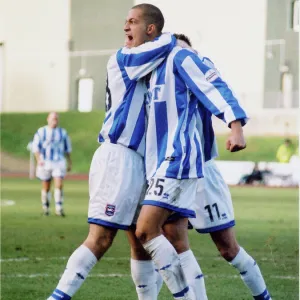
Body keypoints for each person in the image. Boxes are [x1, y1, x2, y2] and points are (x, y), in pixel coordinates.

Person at [46, 4, 194, 300]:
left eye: (133, 22)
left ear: (147, 28)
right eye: (126, 22)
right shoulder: (124, 58)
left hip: (140, 162)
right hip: (118, 157)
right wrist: (173, 41)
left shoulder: (150, 65)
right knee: (100, 239)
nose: (125, 27)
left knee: (142, 238)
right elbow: (168, 44)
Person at [127, 28, 249, 300]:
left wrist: (236, 126)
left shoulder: (183, 60)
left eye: (133, 22)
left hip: (185, 162)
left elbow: (217, 87)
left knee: (149, 232)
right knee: (167, 239)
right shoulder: (151, 70)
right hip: (155, 166)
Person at [159, 34, 271, 300]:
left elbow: (220, 90)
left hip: (202, 172)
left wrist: (236, 127)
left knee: (228, 249)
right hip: (171, 171)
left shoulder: (197, 63)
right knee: (161, 241)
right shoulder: (160, 76)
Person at [31, 112, 72, 217]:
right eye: (53, 119)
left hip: (58, 161)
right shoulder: (41, 132)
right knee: (46, 185)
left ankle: (59, 208)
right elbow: (35, 147)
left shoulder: (63, 132)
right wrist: (39, 159)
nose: (55, 121)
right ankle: (46, 207)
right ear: (48, 119)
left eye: (56, 119)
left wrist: (69, 162)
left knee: (59, 183)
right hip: (45, 162)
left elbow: (67, 149)